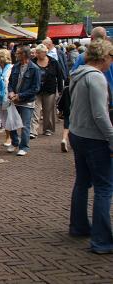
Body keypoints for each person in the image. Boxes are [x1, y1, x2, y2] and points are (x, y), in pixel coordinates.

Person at [68, 40, 113, 255]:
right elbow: (100, 114)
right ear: (104, 57)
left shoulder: (78, 74)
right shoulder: (96, 78)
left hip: (78, 134)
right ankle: (102, 240)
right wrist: (112, 138)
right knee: (104, 187)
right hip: (94, 139)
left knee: (82, 182)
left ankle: (78, 226)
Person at [7, 45, 42, 156]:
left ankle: (24, 147)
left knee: (25, 125)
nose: (16, 55)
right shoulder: (15, 67)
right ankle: (15, 142)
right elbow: (10, 82)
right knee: (12, 122)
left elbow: (36, 88)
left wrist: (20, 95)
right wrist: (11, 92)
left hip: (27, 101)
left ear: (24, 55)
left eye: (18, 53)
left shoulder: (34, 69)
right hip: (15, 100)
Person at [72, 26, 113, 109]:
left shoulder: (83, 56)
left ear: (91, 38)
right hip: (110, 100)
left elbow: (74, 76)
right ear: (105, 37)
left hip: (90, 101)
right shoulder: (110, 55)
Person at [31, 44, 64, 137]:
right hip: (36, 90)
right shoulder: (32, 62)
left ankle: (48, 129)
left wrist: (60, 89)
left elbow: (59, 76)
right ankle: (33, 130)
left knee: (48, 111)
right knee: (35, 110)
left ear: (45, 52)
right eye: (36, 52)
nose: (36, 54)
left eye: (39, 53)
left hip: (50, 90)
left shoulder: (53, 62)